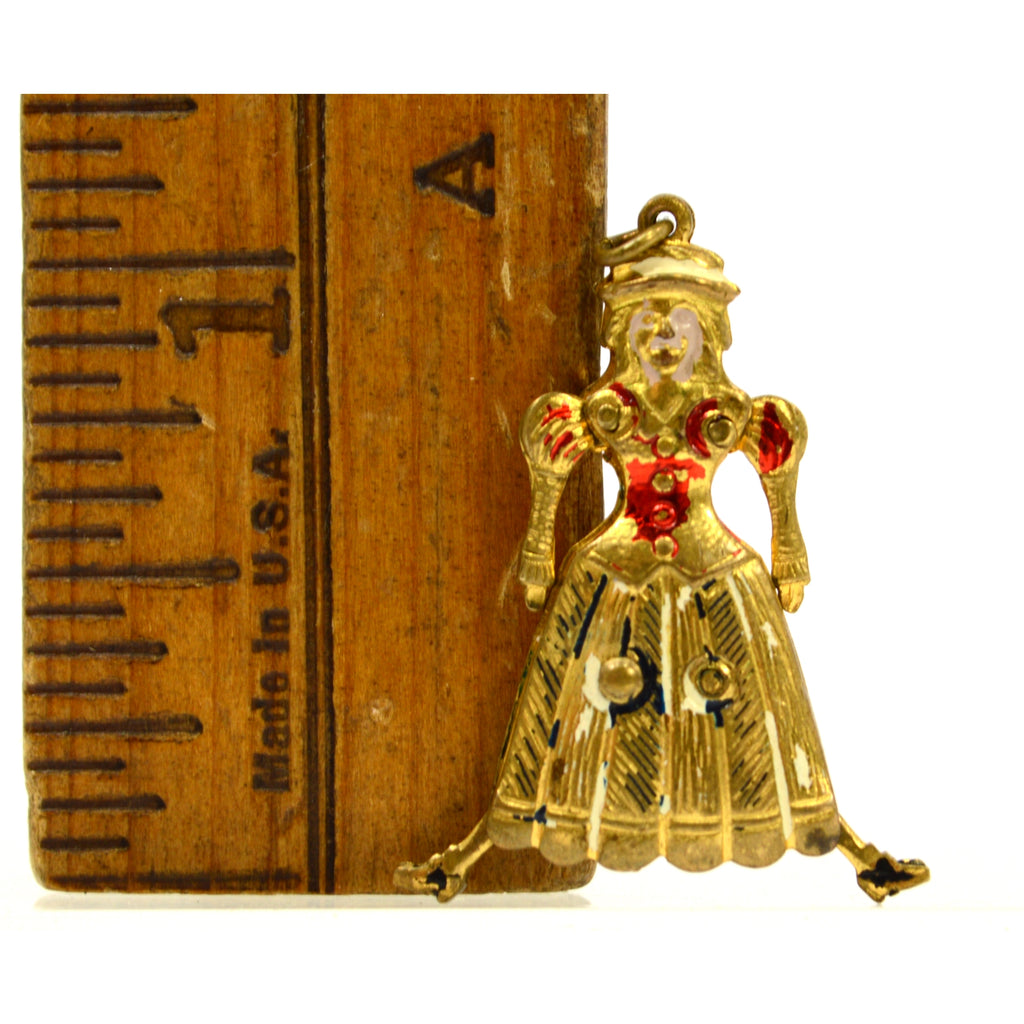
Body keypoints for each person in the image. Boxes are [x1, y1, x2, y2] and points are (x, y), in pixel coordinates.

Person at [395, 196, 928, 903]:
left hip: (718, 568)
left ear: (710, 331)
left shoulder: (733, 413)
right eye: (649, 322)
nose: (666, 338)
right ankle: (469, 854)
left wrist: (789, 553)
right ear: (623, 332)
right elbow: (551, 467)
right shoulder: (605, 411)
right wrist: (537, 554)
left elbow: (778, 474)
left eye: (681, 323)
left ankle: (852, 849)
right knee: (565, 715)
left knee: (764, 720)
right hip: (613, 569)